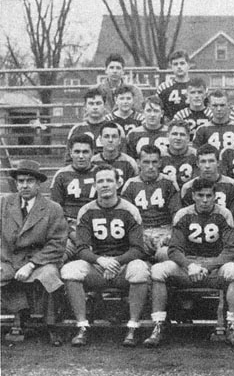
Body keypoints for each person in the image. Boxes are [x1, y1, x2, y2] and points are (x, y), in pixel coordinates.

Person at [143, 178, 234, 347]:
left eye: (209, 195)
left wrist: (208, 266)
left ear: (215, 196)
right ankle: (158, 325)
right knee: (157, 271)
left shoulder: (224, 214)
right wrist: (189, 265)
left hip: (214, 267)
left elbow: (231, 250)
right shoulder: (183, 214)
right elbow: (174, 249)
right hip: (188, 266)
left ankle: (232, 327)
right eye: (200, 195)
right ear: (193, 196)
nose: (205, 200)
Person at [60, 164, 150, 347]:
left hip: (123, 264)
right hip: (97, 264)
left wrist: (115, 262)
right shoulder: (86, 210)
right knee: (70, 270)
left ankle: (133, 326)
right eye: (100, 181)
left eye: (109, 180)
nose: (105, 184)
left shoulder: (130, 210)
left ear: (118, 183)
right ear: (95, 185)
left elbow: (138, 248)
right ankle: (82, 326)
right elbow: (82, 248)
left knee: (140, 269)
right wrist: (100, 260)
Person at [1, 160, 67, 345]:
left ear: (39, 184)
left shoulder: (52, 208)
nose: (24, 185)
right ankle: (20, 316)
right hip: (8, 259)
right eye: (21, 181)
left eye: (30, 180)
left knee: (50, 276)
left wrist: (31, 265)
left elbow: (57, 244)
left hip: (39, 261)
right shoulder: (4, 203)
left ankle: (51, 326)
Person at [121, 145, 181, 262]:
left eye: (154, 162)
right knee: (131, 256)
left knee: (166, 255)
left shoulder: (168, 182)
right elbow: (126, 217)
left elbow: (177, 214)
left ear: (160, 163)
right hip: (141, 232)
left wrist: (170, 236)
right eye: (146, 162)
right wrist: (137, 237)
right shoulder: (131, 184)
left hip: (164, 230)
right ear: (138, 163)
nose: (151, 167)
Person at [51, 135, 98, 257]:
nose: (81, 156)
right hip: (70, 229)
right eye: (77, 152)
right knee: (58, 255)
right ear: (70, 153)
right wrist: (72, 233)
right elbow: (56, 212)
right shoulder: (62, 175)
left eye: (85, 152)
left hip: (98, 226)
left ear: (92, 153)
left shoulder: (101, 173)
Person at [180, 144, 234, 227]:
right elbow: (187, 215)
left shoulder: (232, 185)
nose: (207, 166)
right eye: (203, 161)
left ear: (218, 163)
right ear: (197, 163)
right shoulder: (188, 187)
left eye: (211, 161)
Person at [91, 121, 139, 188]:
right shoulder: (93, 161)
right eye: (106, 136)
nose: (110, 140)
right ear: (100, 140)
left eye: (114, 136)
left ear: (119, 140)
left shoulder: (130, 162)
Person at [67, 88, 113, 155]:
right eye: (91, 104)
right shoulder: (77, 130)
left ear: (105, 106)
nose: (95, 107)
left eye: (98, 103)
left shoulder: (113, 128)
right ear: (85, 107)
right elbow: (69, 158)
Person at [160, 120, 198, 188]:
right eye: (174, 134)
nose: (178, 138)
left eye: (182, 135)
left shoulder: (196, 155)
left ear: (188, 138)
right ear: (167, 136)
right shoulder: (160, 156)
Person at [156, 50, 191, 120]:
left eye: (182, 63)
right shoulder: (163, 88)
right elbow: (157, 110)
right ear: (171, 66)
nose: (179, 67)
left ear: (189, 65)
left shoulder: (197, 87)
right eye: (175, 64)